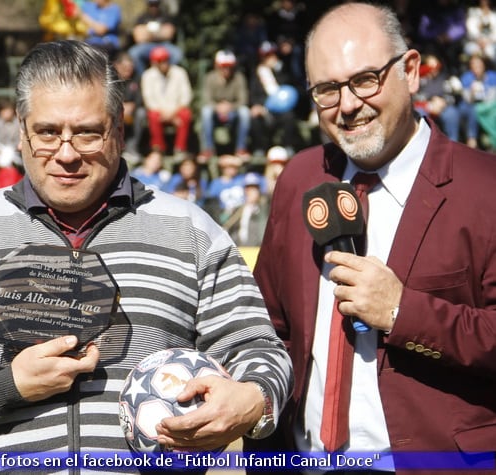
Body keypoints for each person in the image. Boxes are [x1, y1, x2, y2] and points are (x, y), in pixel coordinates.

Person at [0, 40, 291, 459]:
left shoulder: (191, 231)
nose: (66, 154)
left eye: (86, 133)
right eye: (47, 133)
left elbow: (258, 350)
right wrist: (6, 386)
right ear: (22, 133)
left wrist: (253, 400)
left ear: (117, 130)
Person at [248, 2, 496, 470]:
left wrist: (404, 312)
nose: (346, 105)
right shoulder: (300, 177)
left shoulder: (485, 187)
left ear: (412, 71)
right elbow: (268, 326)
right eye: (326, 89)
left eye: (365, 80)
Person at [140, 45, 193, 156]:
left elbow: (186, 96)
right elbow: (149, 100)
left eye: (165, 60)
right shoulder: (147, 75)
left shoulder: (179, 72)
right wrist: (165, 114)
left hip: (176, 110)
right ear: (154, 63)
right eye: (160, 61)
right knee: (153, 115)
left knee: (186, 115)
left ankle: (180, 149)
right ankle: (159, 148)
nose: (163, 63)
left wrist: (172, 114)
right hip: (159, 111)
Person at [199, 49, 251, 158]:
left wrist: (230, 107)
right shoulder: (210, 78)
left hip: (233, 112)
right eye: (223, 66)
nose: (226, 69)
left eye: (229, 66)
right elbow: (206, 99)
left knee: (245, 112)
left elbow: (243, 100)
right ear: (217, 66)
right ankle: (208, 149)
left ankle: (241, 148)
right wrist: (218, 107)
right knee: (206, 111)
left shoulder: (239, 78)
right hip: (215, 113)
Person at [127, 0, 183, 77]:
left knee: (177, 54)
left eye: (156, 4)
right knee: (134, 53)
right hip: (146, 46)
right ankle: (142, 78)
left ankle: (166, 77)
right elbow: (138, 37)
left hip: (164, 45)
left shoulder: (165, 16)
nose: (154, 7)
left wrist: (147, 33)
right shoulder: (142, 18)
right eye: (151, 4)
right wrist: (160, 32)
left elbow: (169, 34)